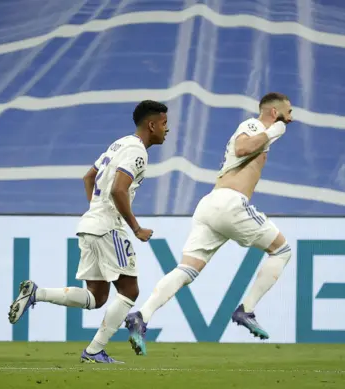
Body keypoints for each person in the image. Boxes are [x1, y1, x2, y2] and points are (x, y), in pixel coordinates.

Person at [124, 92, 293, 356]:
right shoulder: (255, 126)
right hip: (230, 203)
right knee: (282, 251)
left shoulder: (261, 132)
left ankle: (141, 316)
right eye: (288, 113)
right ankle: (246, 309)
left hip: (211, 206)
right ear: (274, 112)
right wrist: (275, 130)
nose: (290, 119)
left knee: (186, 270)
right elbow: (243, 148)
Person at [8, 100, 169, 363]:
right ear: (151, 125)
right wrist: (136, 228)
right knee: (130, 291)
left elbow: (88, 177)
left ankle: (36, 293)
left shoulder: (119, 144)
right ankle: (94, 351)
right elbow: (118, 189)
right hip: (108, 227)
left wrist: (95, 210)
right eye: (164, 124)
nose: (167, 129)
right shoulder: (137, 152)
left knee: (96, 297)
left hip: (90, 224)